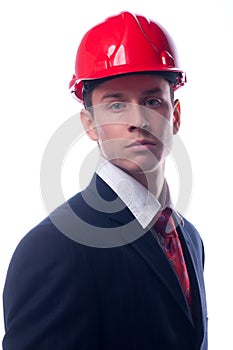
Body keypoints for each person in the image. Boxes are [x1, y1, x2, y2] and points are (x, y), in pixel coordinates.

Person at [2, 11, 208, 350]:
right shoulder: (54, 248)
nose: (138, 120)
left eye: (152, 101)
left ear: (176, 115)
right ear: (89, 124)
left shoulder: (190, 239)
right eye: (116, 105)